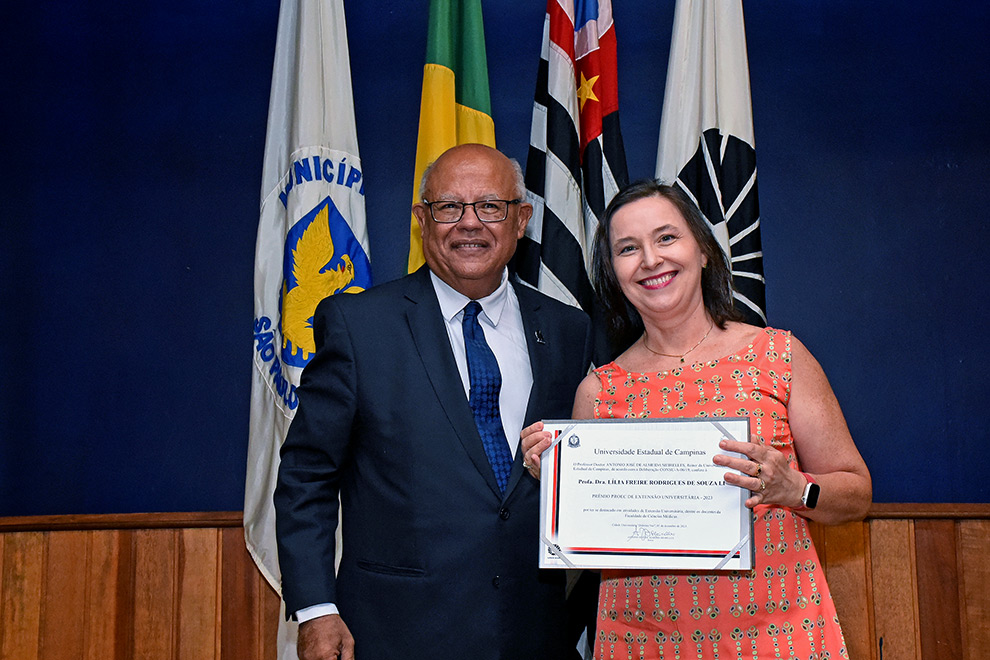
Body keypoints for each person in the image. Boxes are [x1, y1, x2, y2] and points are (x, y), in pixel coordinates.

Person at [521, 180, 872, 660]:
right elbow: (584, 540)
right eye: (628, 248)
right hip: (639, 642)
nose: (650, 259)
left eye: (666, 238)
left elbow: (856, 494)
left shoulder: (778, 354)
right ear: (613, 274)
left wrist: (795, 489)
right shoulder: (598, 391)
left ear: (703, 251)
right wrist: (558, 482)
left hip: (777, 636)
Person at [274, 143, 594, 660]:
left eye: (491, 206)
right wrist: (315, 608)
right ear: (423, 220)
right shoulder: (359, 326)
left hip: (533, 632)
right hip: (396, 632)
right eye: (449, 207)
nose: (470, 223)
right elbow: (306, 476)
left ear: (522, 220)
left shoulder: (567, 330)